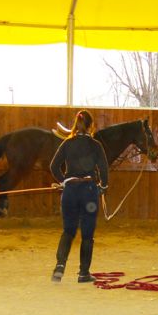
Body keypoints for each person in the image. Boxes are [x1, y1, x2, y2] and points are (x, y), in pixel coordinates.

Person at [49, 110, 109, 283]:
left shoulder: (67, 144)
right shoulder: (95, 145)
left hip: (70, 193)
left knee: (68, 231)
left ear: (75, 125)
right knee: (87, 234)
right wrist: (103, 187)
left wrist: (64, 181)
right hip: (89, 192)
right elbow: (104, 170)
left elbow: (53, 166)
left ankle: (59, 268)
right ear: (91, 126)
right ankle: (83, 273)